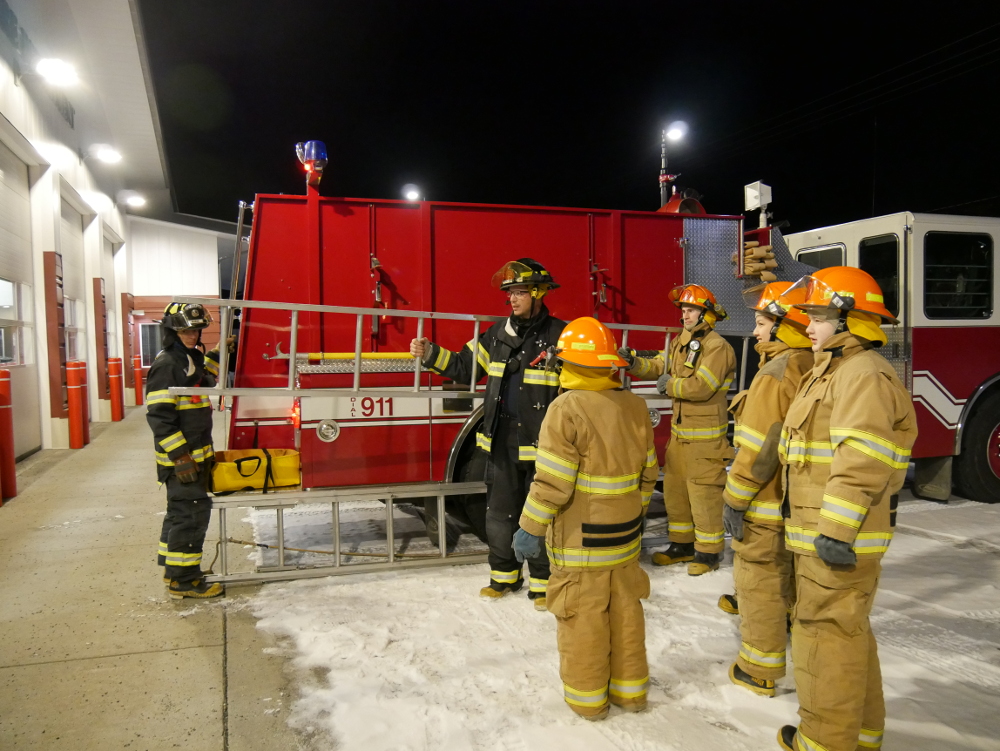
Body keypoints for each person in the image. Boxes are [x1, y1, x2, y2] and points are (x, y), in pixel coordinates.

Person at [775, 267, 917, 751]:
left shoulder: (860, 374)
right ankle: (861, 735)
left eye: (817, 316)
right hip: (824, 533)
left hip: (836, 538)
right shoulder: (835, 369)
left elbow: (862, 458)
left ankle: (824, 742)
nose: (807, 326)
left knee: (825, 637)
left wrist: (835, 530)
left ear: (849, 319)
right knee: (847, 632)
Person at [512, 317, 659, 720]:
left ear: (570, 364)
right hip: (626, 539)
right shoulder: (634, 405)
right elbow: (649, 472)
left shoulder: (566, 408)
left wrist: (529, 528)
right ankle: (631, 694)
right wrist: (635, 510)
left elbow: (553, 483)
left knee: (584, 623)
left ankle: (588, 701)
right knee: (627, 616)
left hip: (582, 545)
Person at [410, 259, 565, 608]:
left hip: (542, 446)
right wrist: (430, 353)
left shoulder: (560, 336)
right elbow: (465, 367)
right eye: (510, 293)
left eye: (520, 292)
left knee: (539, 516)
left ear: (538, 293)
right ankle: (504, 577)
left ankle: (543, 584)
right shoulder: (497, 334)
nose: (513, 299)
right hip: (500, 443)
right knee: (499, 515)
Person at [719, 282, 813, 698]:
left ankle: (758, 669)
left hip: (766, 502)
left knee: (759, 581)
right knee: (788, 578)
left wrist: (735, 500)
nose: (755, 333)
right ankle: (785, 636)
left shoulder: (774, 376)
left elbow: (759, 449)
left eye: (761, 324)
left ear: (784, 326)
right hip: (798, 503)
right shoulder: (810, 365)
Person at [620, 284, 736, 575]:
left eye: (692, 310)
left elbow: (703, 386)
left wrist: (670, 385)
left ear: (706, 314)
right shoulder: (682, 343)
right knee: (675, 493)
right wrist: (634, 363)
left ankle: (709, 553)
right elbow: (660, 365)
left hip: (706, 442)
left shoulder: (717, 347)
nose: (685, 315)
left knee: (704, 496)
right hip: (681, 438)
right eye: (683, 310)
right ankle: (681, 545)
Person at [146, 302, 224, 600]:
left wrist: (220, 351)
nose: (192, 335)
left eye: (195, 330)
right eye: (185, 330)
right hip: (182, 461)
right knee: (191, 515)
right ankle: (185, 580)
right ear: (171, 329)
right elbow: (159, 418)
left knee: (179, 514)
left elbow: (205, 378)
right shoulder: (168, 365)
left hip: (194, 456)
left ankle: (173, 571)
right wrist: (180, 457)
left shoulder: (189, 358)